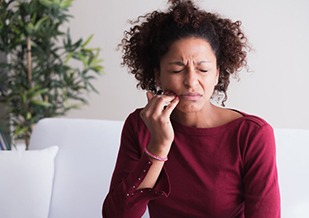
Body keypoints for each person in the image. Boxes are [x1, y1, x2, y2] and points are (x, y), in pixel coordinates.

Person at [102, 0, 280, 217]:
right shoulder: (140, 126)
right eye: (177, 70)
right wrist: (158, 145)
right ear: (157, 74)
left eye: (203, 69)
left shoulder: (252, 135)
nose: (191, 81)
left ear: (217, 74)